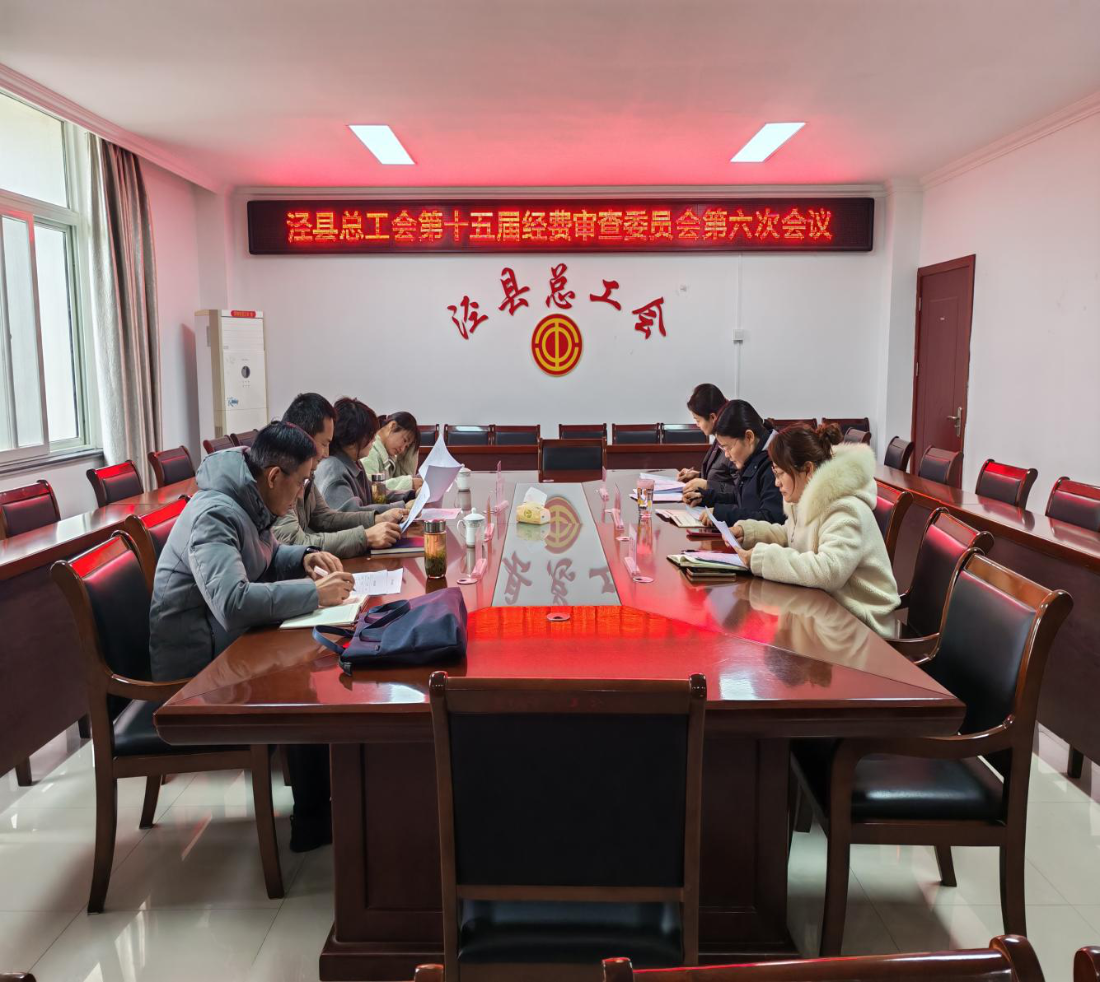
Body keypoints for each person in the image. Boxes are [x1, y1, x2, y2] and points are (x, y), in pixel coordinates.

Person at [150, 421, 354, 682]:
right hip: (197, 673)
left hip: (234, 646)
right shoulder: (214, 516)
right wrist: (315, 593)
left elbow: (267, 556)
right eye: (301, 482)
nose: (300, 494)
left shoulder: (251, 498)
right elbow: (232, 603)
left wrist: (304, 557)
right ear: (274, 477)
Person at [728, 423, 900, 636]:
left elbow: (829, 571)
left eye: (780, 474)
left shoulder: (845, 508)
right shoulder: (808, 497)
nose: (776, 483)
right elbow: (792, 536)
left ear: (808, 469)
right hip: (831, 615)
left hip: (864, 626)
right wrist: (751, 532)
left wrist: (764, 559)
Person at [274, 392, 404, 557]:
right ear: (302, 437)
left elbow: (325, 517)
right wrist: (365, 538)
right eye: (324, 444)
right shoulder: (280, 474)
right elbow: (296, 543)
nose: (326, 454)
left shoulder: (305, 472)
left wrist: (376, 519)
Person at [691, 399, 785, 526]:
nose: (726, 454)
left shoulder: (774, 465)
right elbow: (740, 499)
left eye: (729, 447)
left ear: (749, 437)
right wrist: (705, 497)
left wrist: (721, 514)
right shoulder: (753, 457)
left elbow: (770, 519)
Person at [315, 397, 389, 512]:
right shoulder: (334, 470)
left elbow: (374, 493)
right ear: (353, 438)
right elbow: (352, 515)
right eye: (370, 434)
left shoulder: (353, 462)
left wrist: (408, 496)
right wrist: (400, 507)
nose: (374, 440)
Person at [676, 383, 737, 496]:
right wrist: (698, 476)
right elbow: (720, 477)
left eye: (698, 420)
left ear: (713, 417)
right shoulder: (718, 436)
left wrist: (707, 484)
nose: (697, 424)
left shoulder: (733, 444)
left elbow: (741, 492)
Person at [362, 411, 424, 496]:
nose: (402, 449)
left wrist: (412, 448)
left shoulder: (389, 455)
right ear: (392, 426)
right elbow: (369, 489)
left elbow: (405, 476)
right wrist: (409, 483)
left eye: (406, 447)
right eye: (404, 440)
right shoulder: (370, 451)